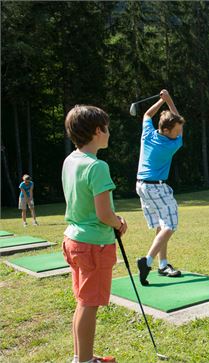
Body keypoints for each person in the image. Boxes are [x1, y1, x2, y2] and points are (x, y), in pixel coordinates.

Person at [62, 105, 128, 363]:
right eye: (107, 128)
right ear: (98, 130)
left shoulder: (70, 160)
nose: (109, 133)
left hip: (74, 240)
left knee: (83, 301)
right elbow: (104, 214)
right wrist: (119, 222)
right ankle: (85, 361)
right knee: (89, 304)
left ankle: (82, 357)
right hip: (94, 245)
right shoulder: (97, 166)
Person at [135, 90, 185, 286]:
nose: (180, 132)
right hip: (156, 187)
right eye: (177, 130)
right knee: (170, 225)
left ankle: (163, 264)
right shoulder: (172, 144)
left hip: (141, 186)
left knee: (161, 225)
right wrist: (169, 101)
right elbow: (171, 119)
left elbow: (147, 115)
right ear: (166, 131)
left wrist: (160, 102)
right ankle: (147, 261)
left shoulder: (148, 133)